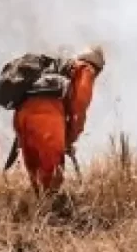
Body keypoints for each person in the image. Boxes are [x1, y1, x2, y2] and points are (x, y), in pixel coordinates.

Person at [11, 45, 105, 195]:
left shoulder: (56, 71)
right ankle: (51, 211)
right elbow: (78, 110)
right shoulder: (85, 70)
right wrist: (70, 139)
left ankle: (37, 210)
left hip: (21, 116)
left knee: (35, 171)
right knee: (52, 175)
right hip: (45, 118)